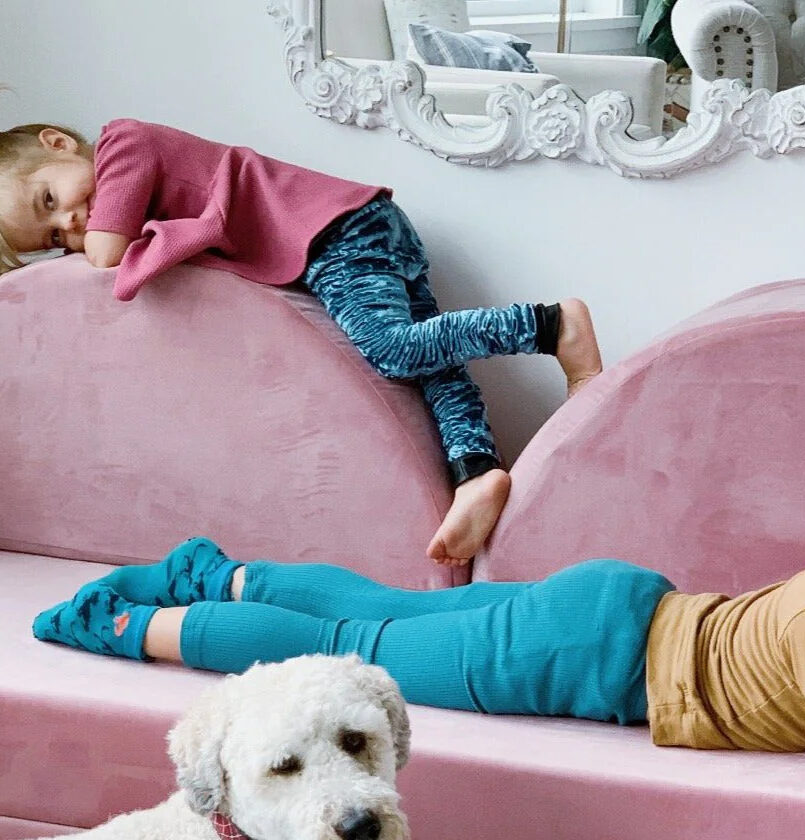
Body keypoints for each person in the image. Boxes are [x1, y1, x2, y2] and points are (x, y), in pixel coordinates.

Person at [32, 395, 805, 792]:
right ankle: (137, 624)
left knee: (382, 607)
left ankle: (220, 570)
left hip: (618, 609)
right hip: (587, 655)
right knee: (356, 649)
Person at [0, 119, 602, 566]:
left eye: (50, 201)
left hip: (338, 232)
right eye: (53, 236)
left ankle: (551, 325)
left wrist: (91, 251)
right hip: (353, 230)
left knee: (391, 348)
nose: (69, 227)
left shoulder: (122, 143)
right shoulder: (118, 179)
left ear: (58, 143)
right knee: (430, 364)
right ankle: (476, 470)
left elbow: (105, 253)